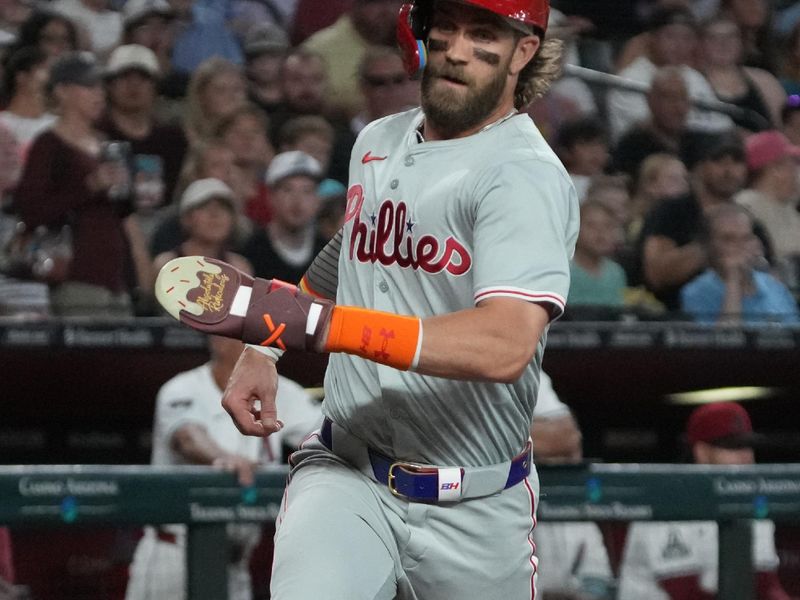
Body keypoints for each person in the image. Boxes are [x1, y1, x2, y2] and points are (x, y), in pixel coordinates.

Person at [154, 1, 579, 599]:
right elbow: (351, 248)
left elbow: (505, 344)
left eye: (483, 34)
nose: (457, 48)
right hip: (348, 472)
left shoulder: (523, 175)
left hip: (476, 504)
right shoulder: (377, 139)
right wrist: (269, 344)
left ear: (524, 51)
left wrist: (325, 326)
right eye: (448, 28)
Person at [124, 334, 321, 600]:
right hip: (174, 555)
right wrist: (222, 457)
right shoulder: (182, 387)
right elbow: (187, 437)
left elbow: (324, 436)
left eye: (235, 330)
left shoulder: (282, 392)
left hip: (236, 561)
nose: (220, 336)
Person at [618, 402, 794, 600]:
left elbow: (765, 586)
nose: (746, 456)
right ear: (701, 452)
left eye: (748, 446)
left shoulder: (751, 505)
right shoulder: (667, 502)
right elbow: (685, 592)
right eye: (733, 447)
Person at [13, 51, 142, 317]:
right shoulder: (49, 144)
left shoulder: (108, 144)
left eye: (100, 87)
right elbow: (31, 210)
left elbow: (121, 214)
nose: (99, 95)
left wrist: (128, 189)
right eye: (88, 86)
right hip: (75, 276)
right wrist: (90, 186)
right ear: (61, 91)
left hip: (116, 277)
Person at [531, 374, 615, 600]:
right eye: (547, 456)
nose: (568, 458)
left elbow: (599, 579)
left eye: (569, 456)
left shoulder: (578, 513)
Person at [607, 6, 733, 141]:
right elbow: (657, 129)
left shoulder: (695, 77)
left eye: (686, 38)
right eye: (671, 36)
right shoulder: (629, 80)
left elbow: (722, 124)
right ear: (651, 39)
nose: (679, 45)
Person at [680, 203, 798, 324]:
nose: (740, 246)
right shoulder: (696, 292)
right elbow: (726, 340)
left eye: (746, 238)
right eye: (729, 239)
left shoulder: (774, 286)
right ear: (709, 245)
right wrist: (733, 280)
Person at [302, 0, 404, 119]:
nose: (386, 11)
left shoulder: (421, 41)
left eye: (394, 2)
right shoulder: (318, 50)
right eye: (376, 3)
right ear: (355, 5)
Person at [241, 150, 328, 283]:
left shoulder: (329, 255)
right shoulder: (251, 253)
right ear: (270, 197)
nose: (297, 201)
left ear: (317, 200)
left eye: (307, 191)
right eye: (287, 189)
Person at [152, 177, 252, 289]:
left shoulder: (240, 269)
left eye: (223, 207)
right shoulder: (166, 265)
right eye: (204, 206)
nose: (215, 214)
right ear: (187, 218)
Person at [698, 15, 785, 132]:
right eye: (714, 38)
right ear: (701, 44)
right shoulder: (693, 80)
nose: (723, 44)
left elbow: (785, 127)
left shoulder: (764, 80)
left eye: (731, 37)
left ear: (741, 42)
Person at [734, 130, 800, 270]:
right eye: (792, 163)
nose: (796, 170)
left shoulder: (786, 204)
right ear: (775, 169)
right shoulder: (747, 204)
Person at [567, 199, 628, 310]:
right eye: (591, 225)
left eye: (607, 226)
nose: (600, 233)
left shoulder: (616, 272)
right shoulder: (565, 270)